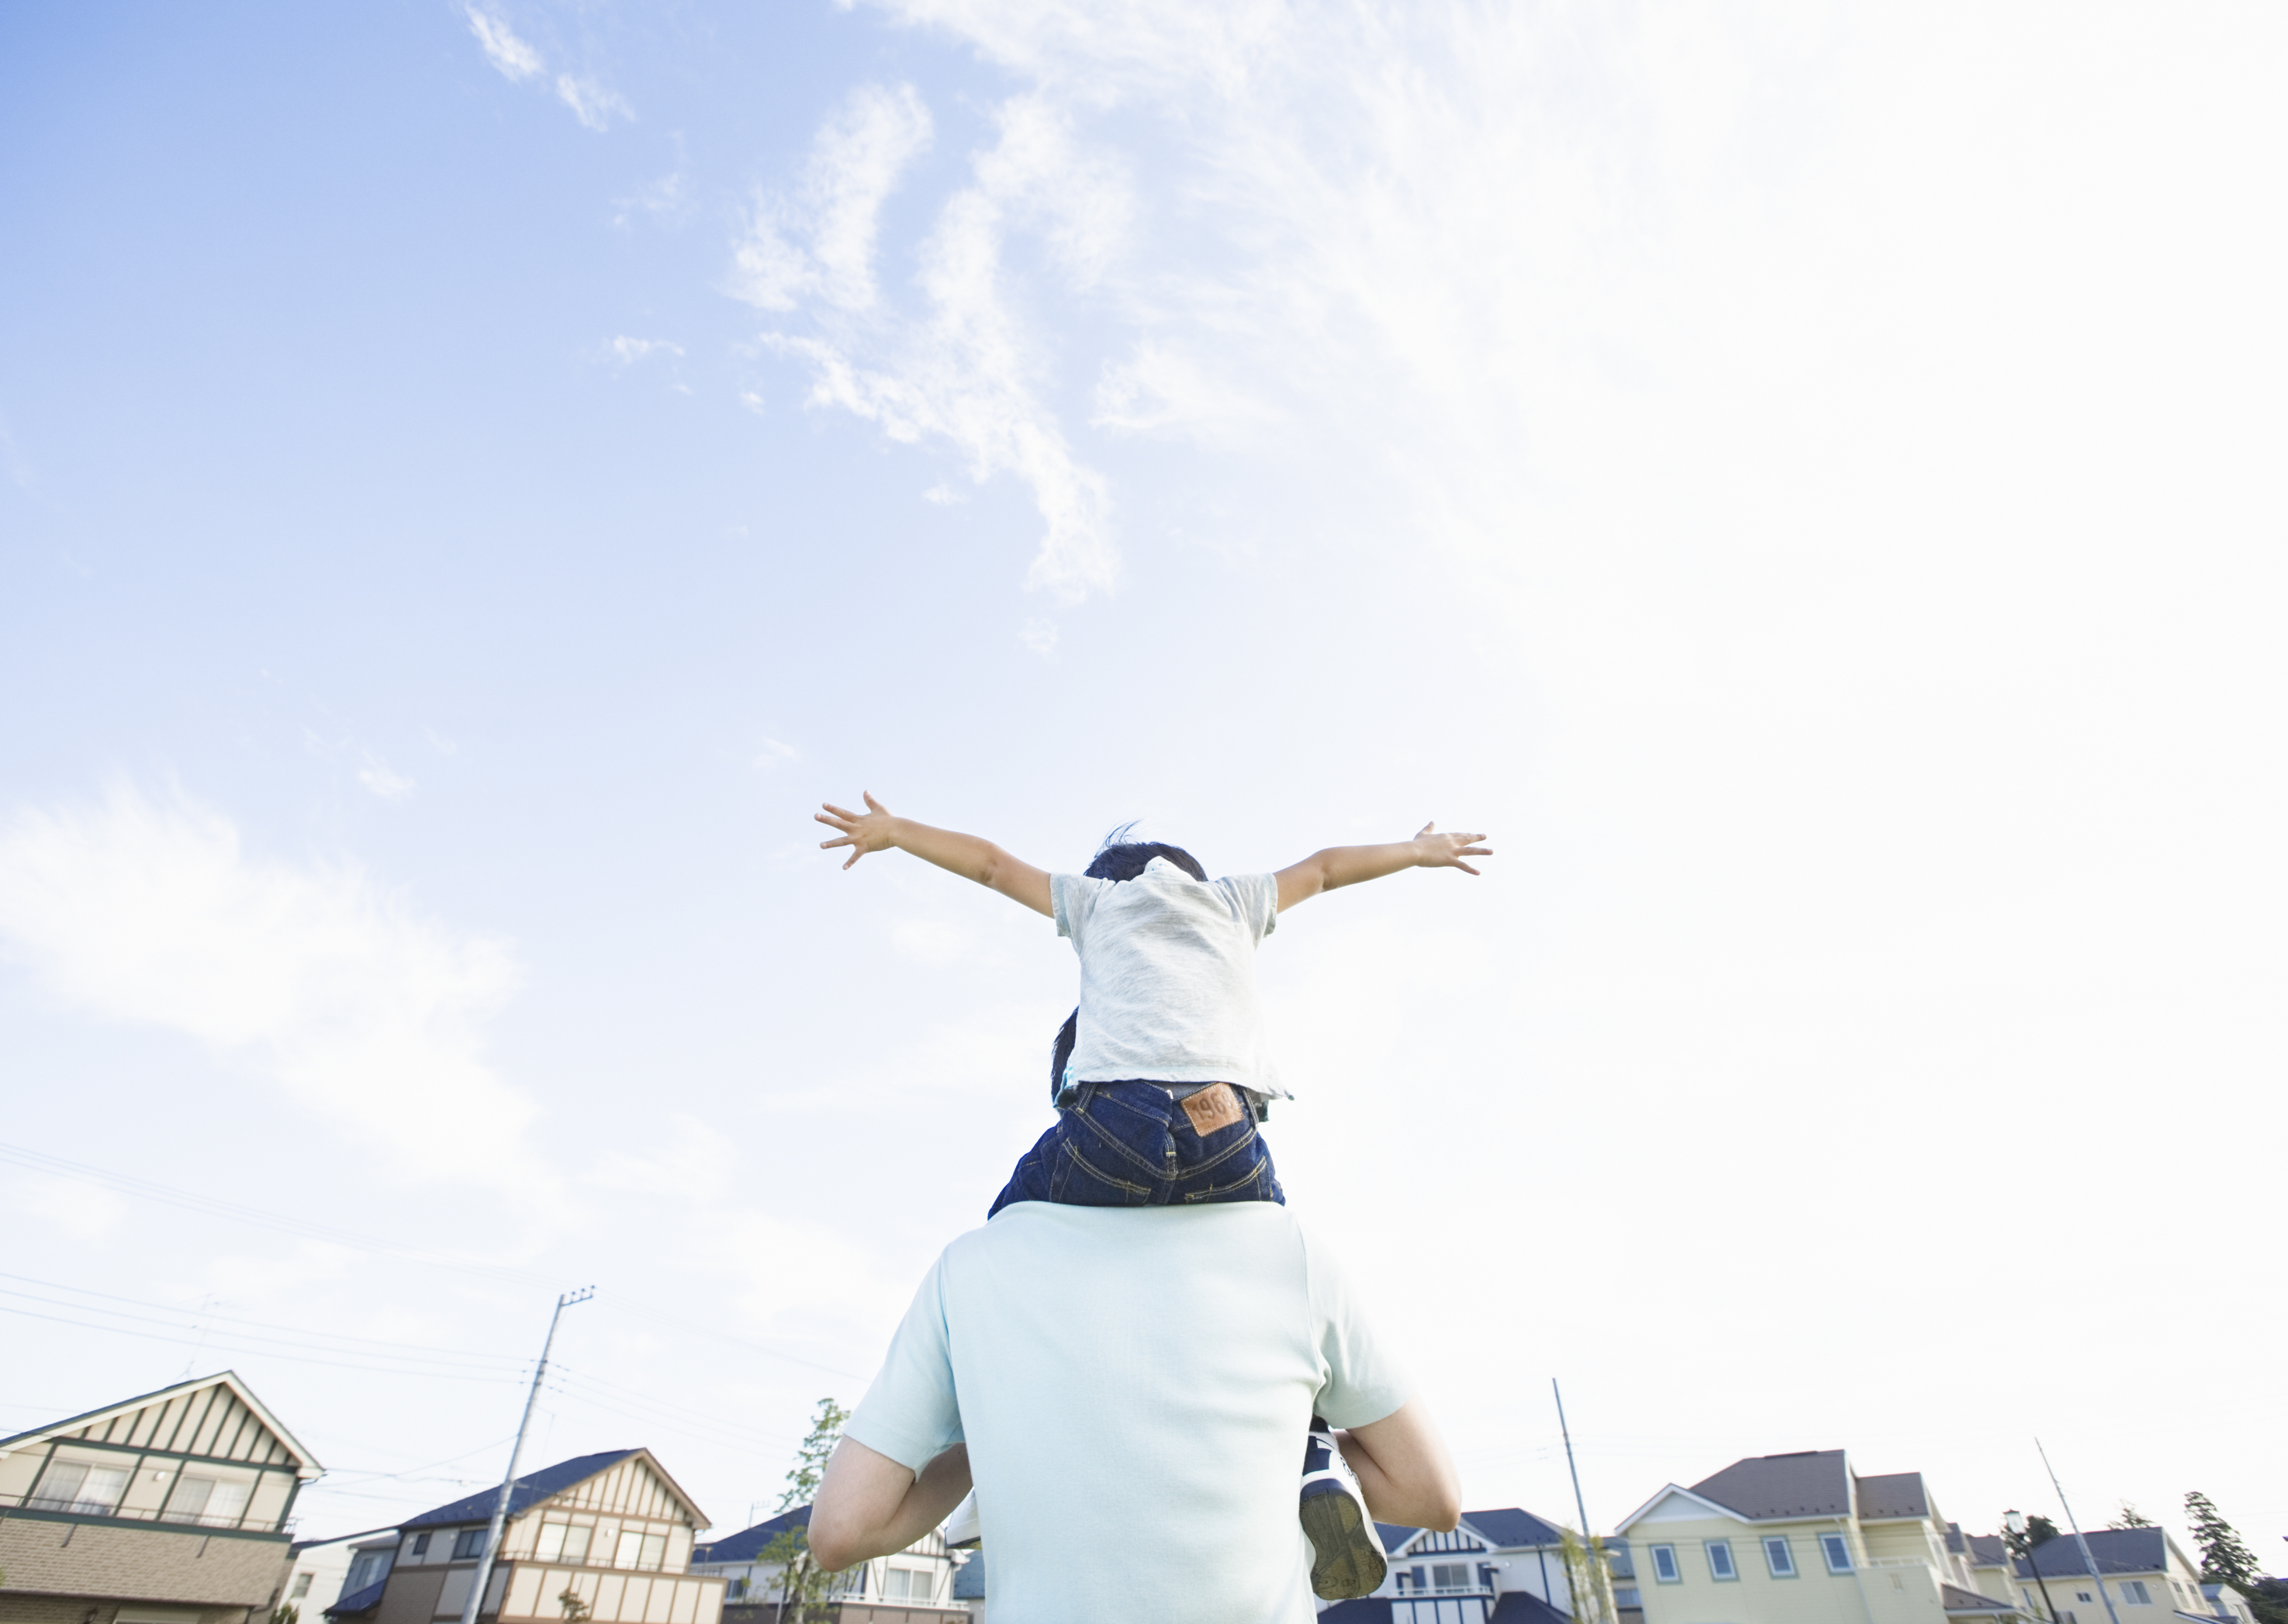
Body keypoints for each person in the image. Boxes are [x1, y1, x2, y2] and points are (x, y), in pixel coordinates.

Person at [812, 792, 1488, 1600]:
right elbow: (1328, 869)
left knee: (1013, 1213)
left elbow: (990, 865)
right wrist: (1417, 851)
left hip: (1111, 1124)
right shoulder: (1237, 900)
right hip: (1225, 1125)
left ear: (1106, 885)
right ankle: (1312, 1446)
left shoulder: (1097, 903)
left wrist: (894, 834)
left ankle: (996, 1390)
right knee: (1271, 1219)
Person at [805, 1199, 1462, 1623]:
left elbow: (842, 1531)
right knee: (1288, 1437)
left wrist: (999, 1437)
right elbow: (1432, 1495)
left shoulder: (969, 1268)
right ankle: (1303, 1447)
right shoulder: (1289, 1251)